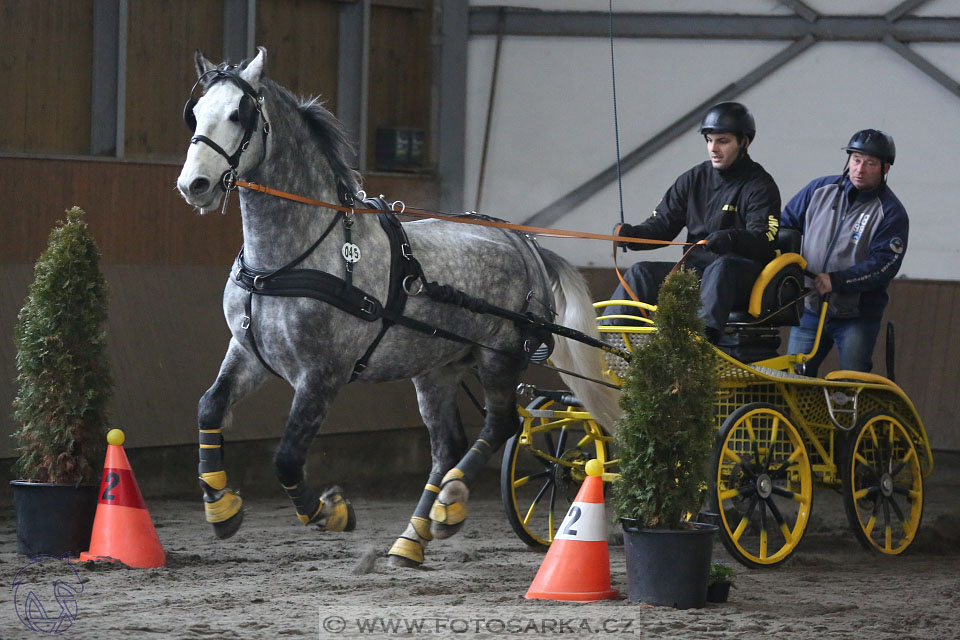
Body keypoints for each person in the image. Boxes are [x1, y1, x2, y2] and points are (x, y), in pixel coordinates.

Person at [608, 102, 781, 344]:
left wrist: (732, 238)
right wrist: (632, 236)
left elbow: (765, 240)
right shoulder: (693, 179)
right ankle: (609, 341)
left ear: (745, 142)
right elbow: (662, 226)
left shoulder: (760, 185)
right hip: (695, 273)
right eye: (709, 140)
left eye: (722, 141)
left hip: (740, 279)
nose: (713, 149)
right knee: (641, 272)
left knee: (724, 265)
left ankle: (698, 345)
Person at [781, 129, 908, 376]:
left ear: (885, 169)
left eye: (870, 163)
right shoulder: (818, 189)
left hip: (857, 317)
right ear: (848, 159)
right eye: (856, 159)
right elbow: (785, 226)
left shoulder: (892, 213)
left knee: (851, 382)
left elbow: (883, 265)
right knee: (792, 378)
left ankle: (850, 415)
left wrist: (837, 281)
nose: (860, 169)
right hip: (811, 308)